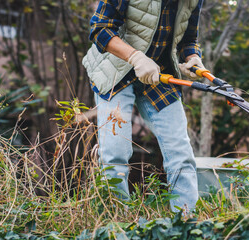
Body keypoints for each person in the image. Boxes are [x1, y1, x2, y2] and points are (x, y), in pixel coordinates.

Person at [82, 0, 205, 212]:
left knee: (181, 153)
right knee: (115, 154)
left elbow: (189, 39)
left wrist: (193, 57)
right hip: (116, 70)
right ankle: (115, 223)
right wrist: (136, 57)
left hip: (160, 75)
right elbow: (100, 28)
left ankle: (187, 223)